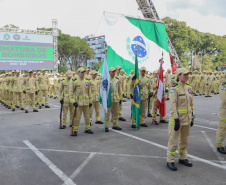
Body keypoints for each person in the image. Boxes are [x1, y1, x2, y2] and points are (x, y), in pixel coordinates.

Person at [167, 68, 194, 171]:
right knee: (173, 141)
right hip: (177, 120)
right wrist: (176, 118)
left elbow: (191, 104)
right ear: (178, 76)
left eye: (188, 75)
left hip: (187, 119)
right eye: (185, 75)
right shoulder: (174, 89)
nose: (187, 76)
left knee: (184, 140)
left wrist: (192, 116)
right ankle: (170, 160)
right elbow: (172, 104)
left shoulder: (189, 88)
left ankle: (183, 158)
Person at [69, 67, 93, 136]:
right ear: (78, 73)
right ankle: (75, 130)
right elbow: (71, 92)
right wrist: (73, 101)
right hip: (78, 103)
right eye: (82, 72)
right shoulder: (75, 81)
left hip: (86, 102)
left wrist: (90, 102)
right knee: (77, 117)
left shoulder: (87, 81)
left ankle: (87, 128)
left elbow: (89, 92)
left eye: (84, 72)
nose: (83, 73)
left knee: (87, 116)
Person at [104, 67, 122, 132]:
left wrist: (120, 98)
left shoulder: (117, 79)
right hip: (109, 100)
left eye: (114, 71)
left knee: (116, 113)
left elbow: (120, 89)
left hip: (116, 99)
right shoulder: (106, 79)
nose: (114, 72)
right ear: (109, 72)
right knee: (107, 114)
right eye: (112, 71)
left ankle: (115, 125)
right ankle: (106, 126)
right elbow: (104, 90)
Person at [216, 81, 226, 154]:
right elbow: (224, 99)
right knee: (222, 128)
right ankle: (220, 145)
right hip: (224, 111)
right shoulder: (223, 86)